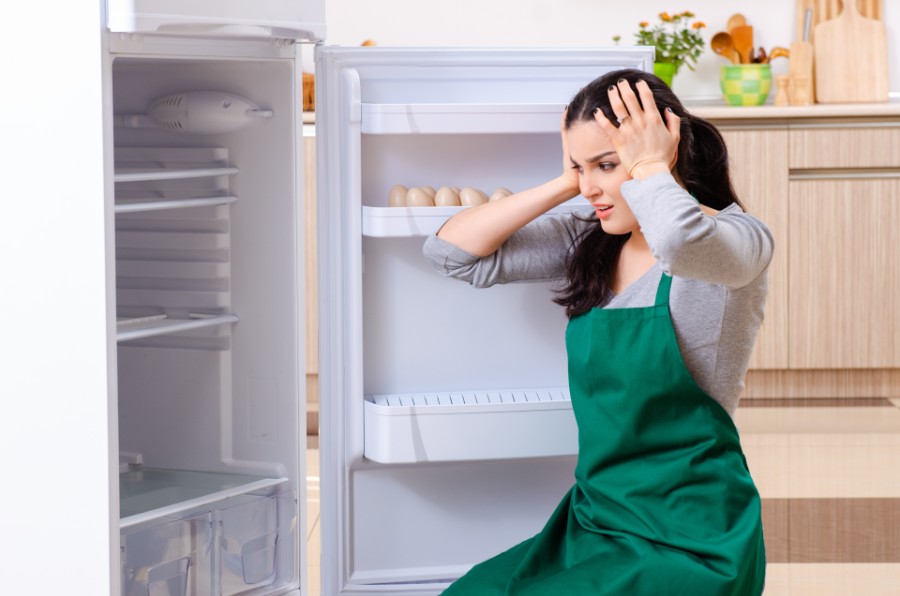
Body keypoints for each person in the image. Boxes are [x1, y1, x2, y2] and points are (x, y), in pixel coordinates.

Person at [422, 68, 771, 595]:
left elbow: (677, 242)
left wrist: (652, 163)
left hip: (694, 535)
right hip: (596, 518)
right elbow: (453, 253)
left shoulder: (738, 240)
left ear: (664, 148)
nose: (591, 188)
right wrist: (575, 176)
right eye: (580, 168)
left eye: (608, 164)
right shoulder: (591, 242)